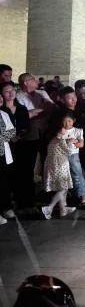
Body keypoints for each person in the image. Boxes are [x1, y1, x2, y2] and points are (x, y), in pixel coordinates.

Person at [41, 113, 77, 219]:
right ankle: (49, 208)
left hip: (54, 164)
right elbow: (69, 151)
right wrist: (70, 142)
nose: (66, 127)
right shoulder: (60, 139)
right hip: (59, 165)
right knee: (63, 188)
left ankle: (63, 209)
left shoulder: (54, 139)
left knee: (62, 188)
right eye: (63, 125)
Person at [0, 82, 29, 216]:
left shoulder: (15, 110)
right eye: (7, 91)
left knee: (12, 177)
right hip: (6, 147)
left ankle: (13, 204)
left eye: (13, 90)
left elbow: (12, 131)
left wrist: (13, 136)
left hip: (14, 147)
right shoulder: (3, 111)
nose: (11, 93)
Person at [0, 93, 17, 224]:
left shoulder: (4, 114)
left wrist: (1, 136)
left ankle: (5, 208)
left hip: (3, 153)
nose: (0, 99)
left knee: (4, 182)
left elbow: (12, 131)